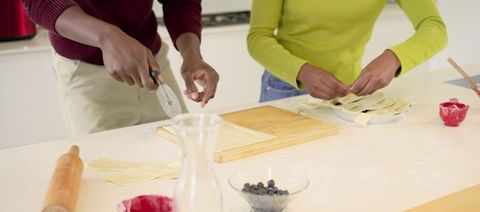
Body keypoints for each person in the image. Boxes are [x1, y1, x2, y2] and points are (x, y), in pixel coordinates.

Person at [22, 0, 219, 134]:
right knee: (107, 175)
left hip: (153, 64)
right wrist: (107, 37)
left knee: (181, 158)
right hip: (87, 72)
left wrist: (191, 53)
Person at [247, 0, 448, 102]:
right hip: (285, 87)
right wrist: (302, 71)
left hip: (349, 91)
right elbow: (258, 37)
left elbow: (435, 29)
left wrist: (394, 58)